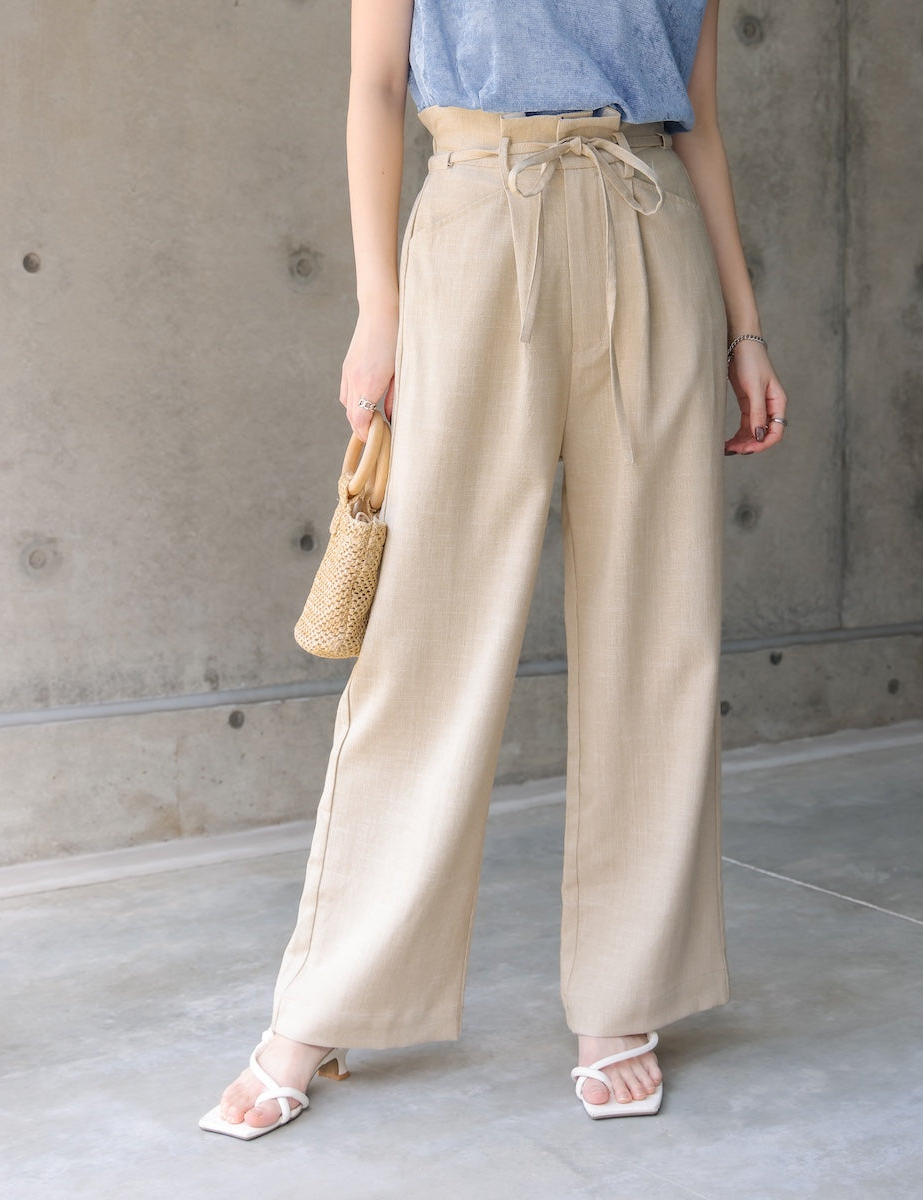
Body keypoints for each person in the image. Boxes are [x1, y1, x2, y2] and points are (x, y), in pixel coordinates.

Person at [200, 0, 787, 1138]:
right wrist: (378, 309)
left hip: (648, 218)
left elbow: (700, 120)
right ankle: (322, 1006)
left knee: (658, 631)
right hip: (476, 216)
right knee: (426, 637)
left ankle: (625, 995)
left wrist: (746, 329)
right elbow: (377, 86)